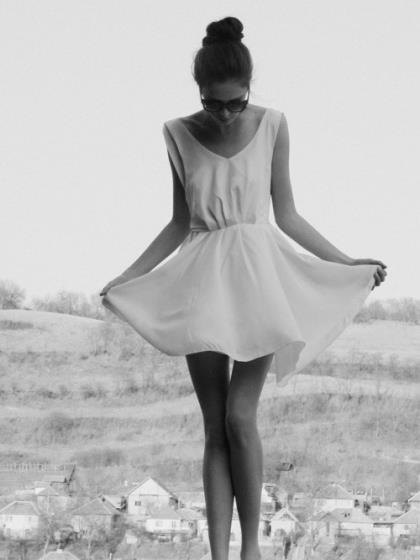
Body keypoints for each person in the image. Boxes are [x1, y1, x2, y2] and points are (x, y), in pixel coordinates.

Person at [99, 16, 387, 560]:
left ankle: (250, 547)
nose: (226, 113)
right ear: (199, 91)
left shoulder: (274, 124)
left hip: (258, 278)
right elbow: (180, 223)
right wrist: (129, 277)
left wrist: (347, 262)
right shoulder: (177, 133)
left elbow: (288, 215)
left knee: (239, 415)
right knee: (214, 426)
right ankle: (219, 553)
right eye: (214, 103)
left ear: (249, 88)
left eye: (236, 102)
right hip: (202, 282)